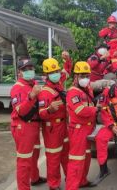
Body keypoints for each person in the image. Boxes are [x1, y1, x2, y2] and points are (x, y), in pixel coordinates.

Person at [10, 59, 46, 190]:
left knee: (34, 154)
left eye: (31, 68)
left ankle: (35, 178)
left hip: (34, 125)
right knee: (24, 160)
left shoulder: (33, 83)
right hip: (23, 126)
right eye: (25, 69)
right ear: (19, 72)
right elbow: (21, 111)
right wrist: (31, 96)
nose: (29, 71)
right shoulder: (17, 88)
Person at [38, 52, 72, 190]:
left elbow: (67, 70)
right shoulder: (44, 92)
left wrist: (67, 60)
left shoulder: (58, 83)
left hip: (63, 125)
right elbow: (41, 114)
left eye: (56, 71)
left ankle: (70, 178)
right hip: (52, 128)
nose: (56, 73)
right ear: (46, 75)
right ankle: (54, 184)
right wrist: (50, 110)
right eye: (52, 72)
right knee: (53, 158)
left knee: (65, 154)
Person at [65, 61, 98, 190]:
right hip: (78, 129)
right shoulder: (73, 92)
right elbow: (80, 111)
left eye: (87, 76)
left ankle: (82, 181)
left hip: (88, 128)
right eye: (82, 76)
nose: (85, 79)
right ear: (76, 77)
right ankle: (72, 186)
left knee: (87, 157)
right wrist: (96, 109)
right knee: (76, 160)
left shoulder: (87, 88)